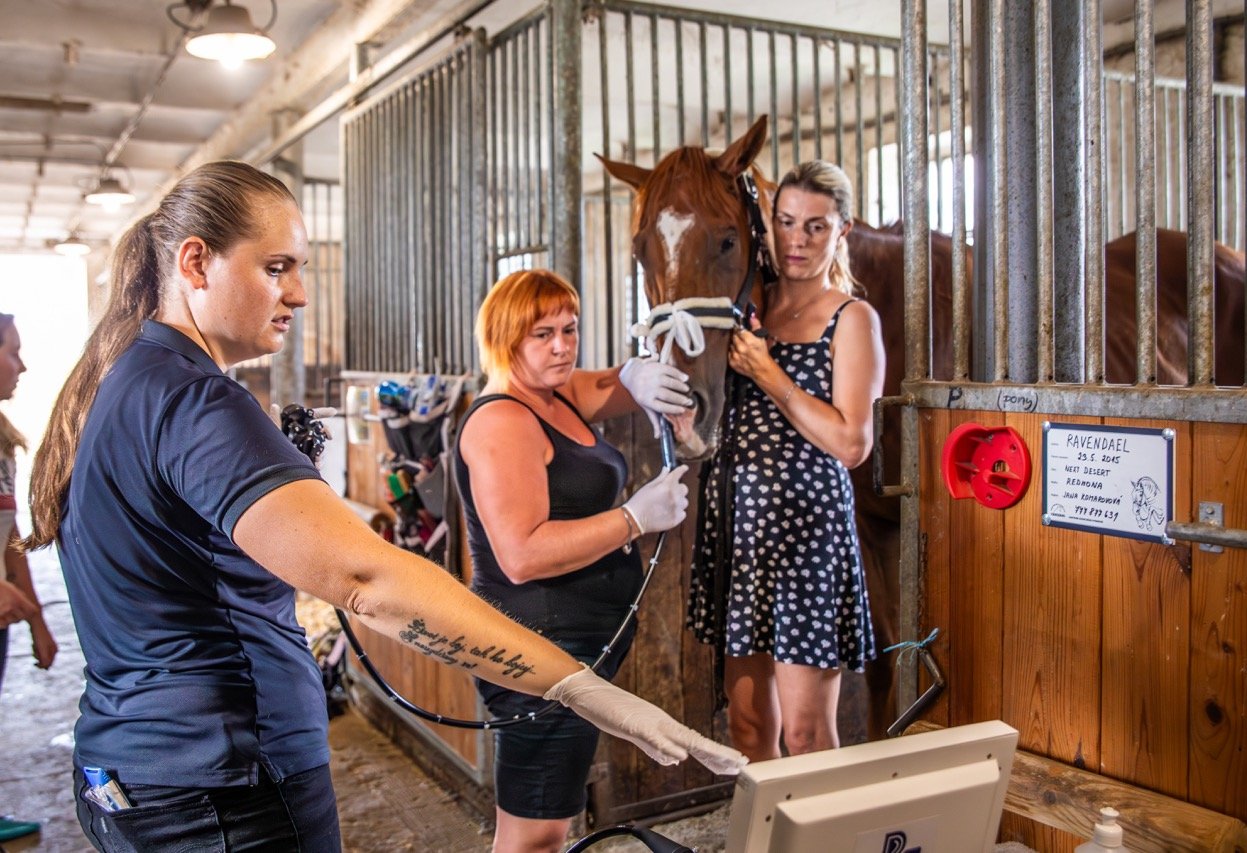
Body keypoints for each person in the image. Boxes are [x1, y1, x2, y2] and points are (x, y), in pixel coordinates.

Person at [23, 160, 744, 853]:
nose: (299, 294)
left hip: (143, 763)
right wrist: (580, 687)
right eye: (276, 268)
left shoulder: (132, 380)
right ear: (194, 264)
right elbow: (368, 581)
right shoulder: (198, 400)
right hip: (224, 773)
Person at [455, 268, 694, 853]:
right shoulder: (503, 420)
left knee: (547, 818)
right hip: (540, 649)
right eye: (542, 334)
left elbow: (612, 385)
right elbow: (521, 555)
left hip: (574, 643)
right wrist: (633, 519)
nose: (562, 346)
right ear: (505, 340)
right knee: (535, 833)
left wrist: (640, 370)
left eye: (570, 328)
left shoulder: (552, 391)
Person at [687, 159, 886, 762]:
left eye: (817, 227)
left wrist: (770, 374)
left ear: (843, 231)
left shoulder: (851, 318)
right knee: (746, 728)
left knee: (805, 734)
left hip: (807, 541)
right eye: (787, 222)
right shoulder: (748, 307)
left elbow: (851, 443)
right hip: (740, 536)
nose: (797, 241)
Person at [0, 313, 57, 845]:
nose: (22, 364)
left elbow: (9, 530)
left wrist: (38, 617)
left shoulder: (3, 438)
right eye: (12, 351)